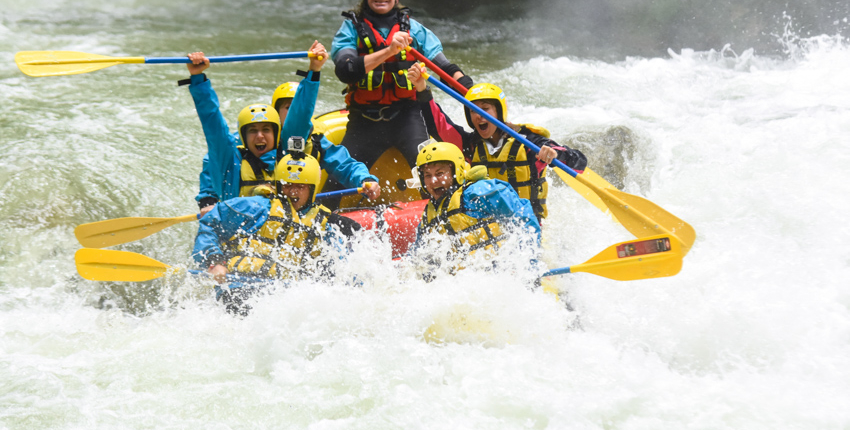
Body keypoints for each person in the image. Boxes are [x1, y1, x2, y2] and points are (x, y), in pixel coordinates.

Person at [184, 41, 381, 216]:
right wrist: (198, 79)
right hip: (243, 233)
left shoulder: (293, 146)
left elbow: (302, 116)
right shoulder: (231, 156)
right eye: (253, 131)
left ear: (275, 130)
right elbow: (213, 127)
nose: (259, 136)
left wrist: (314, 70)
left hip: (285, 228)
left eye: (266, 130)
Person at [408, 64, 587, 222]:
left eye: (485, 109)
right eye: (472, 111)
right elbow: (439, 127)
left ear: (499, 112)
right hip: (486, 228)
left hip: (527, 227)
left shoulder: (528, 142)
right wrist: (422, 89)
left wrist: (555, 154)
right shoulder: (471, 145)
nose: (478, 116)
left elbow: (578, 162)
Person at [192, 152, 362, 315]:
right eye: (288, 185)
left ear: (312, 189)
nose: (293, 192)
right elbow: (210, 225)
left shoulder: (327, 226)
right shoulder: (256, 208)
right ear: (280, 186)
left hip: (286, 301)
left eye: (300, 187)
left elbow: (342, 267)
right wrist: (215, 262)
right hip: (238, 289)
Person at [329, 0, 473, 175]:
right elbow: (347, 70)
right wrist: (389, 51)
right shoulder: (350, 29)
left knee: (430, 173)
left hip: (408, 118)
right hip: (364, 121)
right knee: (336, 180)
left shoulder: (414, 29)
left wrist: (470, 90)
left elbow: (444, 68)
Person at [409, 141, 541, 277]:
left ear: (456, 171)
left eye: (440, 173)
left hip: (503, 273)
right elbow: (420, 255)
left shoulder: (477, 192)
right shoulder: (429, 215)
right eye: (427, 175)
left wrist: (529, 264)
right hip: (466, 285)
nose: (433, 181)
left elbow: (522, 217)